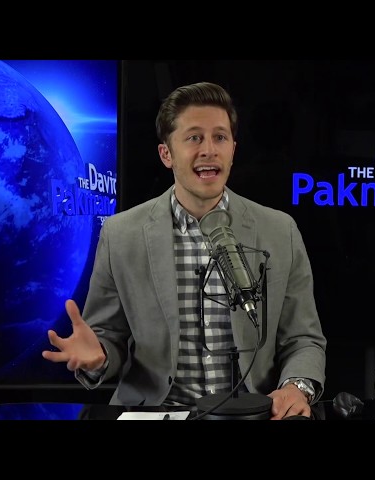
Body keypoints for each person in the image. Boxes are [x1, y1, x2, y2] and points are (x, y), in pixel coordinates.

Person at [42, 81, 327, 420]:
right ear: (167, 154)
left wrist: (296, 387)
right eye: (194, 138)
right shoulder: (121, 234)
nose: (209, 150)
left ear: (233, 149)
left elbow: (303, 338)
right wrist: (99, 356)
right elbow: (107, 338)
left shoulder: (280, 231)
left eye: (220, 137)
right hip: (157, 411)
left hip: (251, 412)